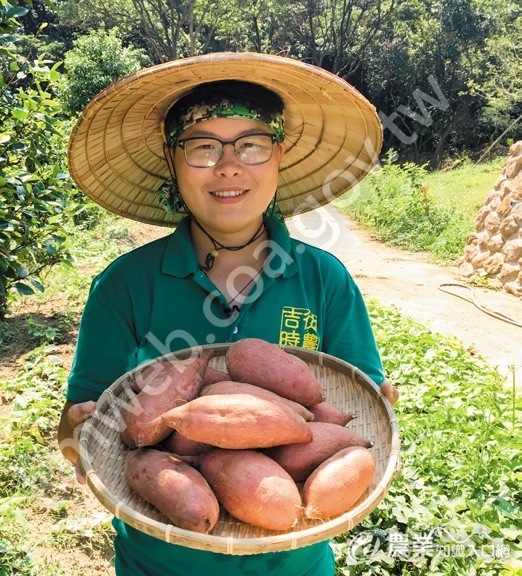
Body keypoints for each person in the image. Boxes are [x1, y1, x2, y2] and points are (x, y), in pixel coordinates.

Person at [58, 52, 399, 576]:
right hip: (159, 562)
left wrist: (381, 406)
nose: (229, 166)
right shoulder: (123, 286)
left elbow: (355, 411)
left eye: (252, 145)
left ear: (279, 155)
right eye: (202, 147)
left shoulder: (324, 280)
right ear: (173, 161)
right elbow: (84, 432)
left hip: (296, 562)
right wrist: (73, 434)